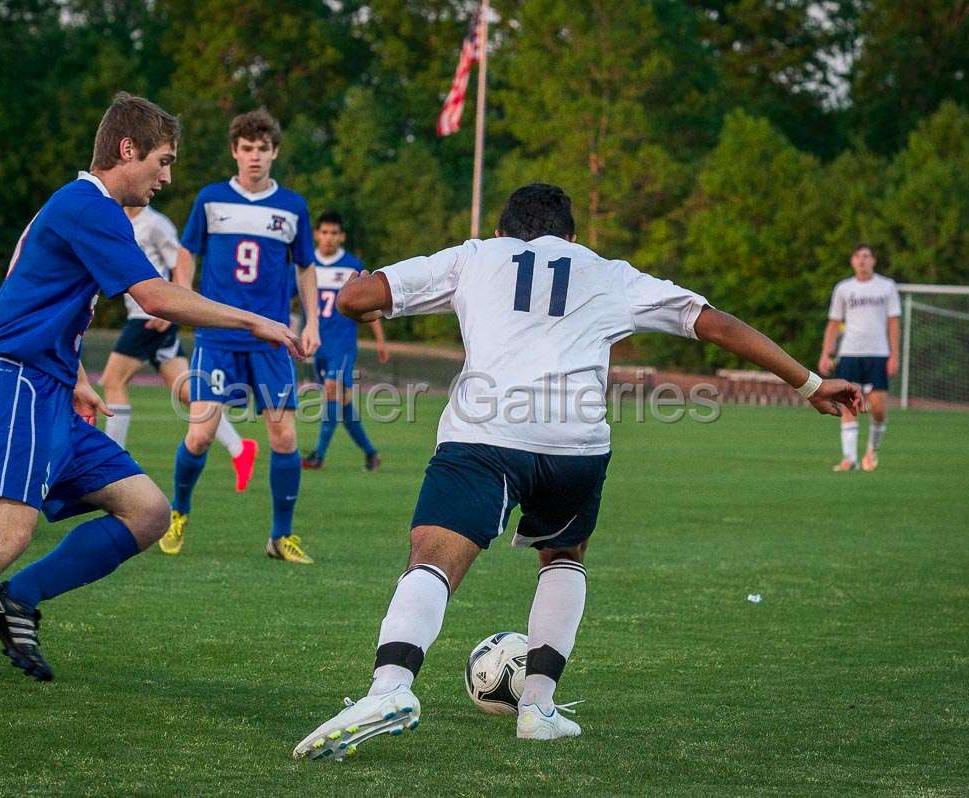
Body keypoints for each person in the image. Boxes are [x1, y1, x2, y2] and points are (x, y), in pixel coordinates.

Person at [293, 183, 861, 760]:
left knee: (432, 556)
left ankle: (391, 687)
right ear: (571, 238)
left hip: (487, 434)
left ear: (501, 232)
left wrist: (366, 280)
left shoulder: (475, 257)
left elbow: (354, 300)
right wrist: (810, 384)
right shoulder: (607, 272)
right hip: (576, 445)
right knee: (563, 556)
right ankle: (538, 709)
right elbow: (713, 323)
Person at [0, 92, 302, 704]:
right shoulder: (89, 205)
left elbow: (40, 294)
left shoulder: (87, 207)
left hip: (49, 385)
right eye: (163, 161)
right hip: (15, 383)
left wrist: (79, 376)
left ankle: (17, 599)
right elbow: (159, 298)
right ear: (127, 150)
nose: (167, 177)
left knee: (145, 512)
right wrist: (256, 320)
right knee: (6, 532)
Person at [159, 110, 321, 563]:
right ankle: (179, 512)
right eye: (246, 149)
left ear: (274, 153)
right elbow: (187, 252)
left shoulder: (292, 206)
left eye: (262, 149)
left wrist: (312, 323)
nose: (254, 157)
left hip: (271, 338)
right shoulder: (211, 199)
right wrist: (183, 297)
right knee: (201, 434)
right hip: (217, 335)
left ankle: (280, 537)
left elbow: (306, 267)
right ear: (235, 151)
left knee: (285, 437)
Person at [100, 204, 259, 491]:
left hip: (150, 317)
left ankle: (110, 463)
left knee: (112, 380)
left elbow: (179, 266)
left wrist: (171, 310)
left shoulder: (155, 223)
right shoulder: (117, 220)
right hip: (146, 314)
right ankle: (239, 448)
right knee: (188, 391)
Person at [301, 210, 389, 471]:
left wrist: (381, 341)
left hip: (343, 344)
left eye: (334, 233)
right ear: (317, 234)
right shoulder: (306, 265)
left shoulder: (352, 265)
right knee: (342, 404)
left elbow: (369, 303)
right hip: (318, 344)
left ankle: (318, 456)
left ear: (342, 237)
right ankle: (372, 454)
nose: (329, 238)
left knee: (331, 390)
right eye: (324, 232)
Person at [817, 244, 900, 472]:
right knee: (848, 404)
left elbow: (893, 322)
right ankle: (849, 458)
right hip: (850, 353)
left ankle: (872, 450)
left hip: (878, 354)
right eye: (857, 257)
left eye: (866, 256)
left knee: (878, 408)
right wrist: (827, 353)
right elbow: (833, 323)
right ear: (852, 261)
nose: (862, 260)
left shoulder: (886, 286)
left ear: (873, 260)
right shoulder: (844, 289)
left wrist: (894, 355)